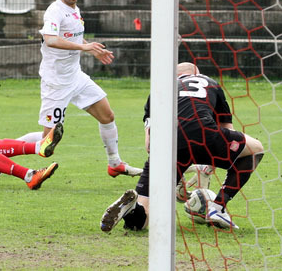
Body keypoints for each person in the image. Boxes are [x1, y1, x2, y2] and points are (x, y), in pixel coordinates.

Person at [100, 62, 264, 231]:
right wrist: (211, 163)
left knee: (140, 222)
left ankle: (132, 208)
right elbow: (227, 130)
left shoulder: (160, 89)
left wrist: (176, 172)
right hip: (205, 134)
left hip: (167, 144)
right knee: (255, 149)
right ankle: (218, 207)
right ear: (197, 73)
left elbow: (149, 145)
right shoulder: (210, 82)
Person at [19, 0, 142, 178]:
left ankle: (115, 163)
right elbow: (50, 39)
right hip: (56, 82)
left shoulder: (75, 9)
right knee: (46, 144)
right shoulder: (54, 11)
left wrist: (90, 49)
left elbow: (72, 37)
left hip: (75, 77)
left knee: (107, 115)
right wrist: (84, 47)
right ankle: (1, 151)